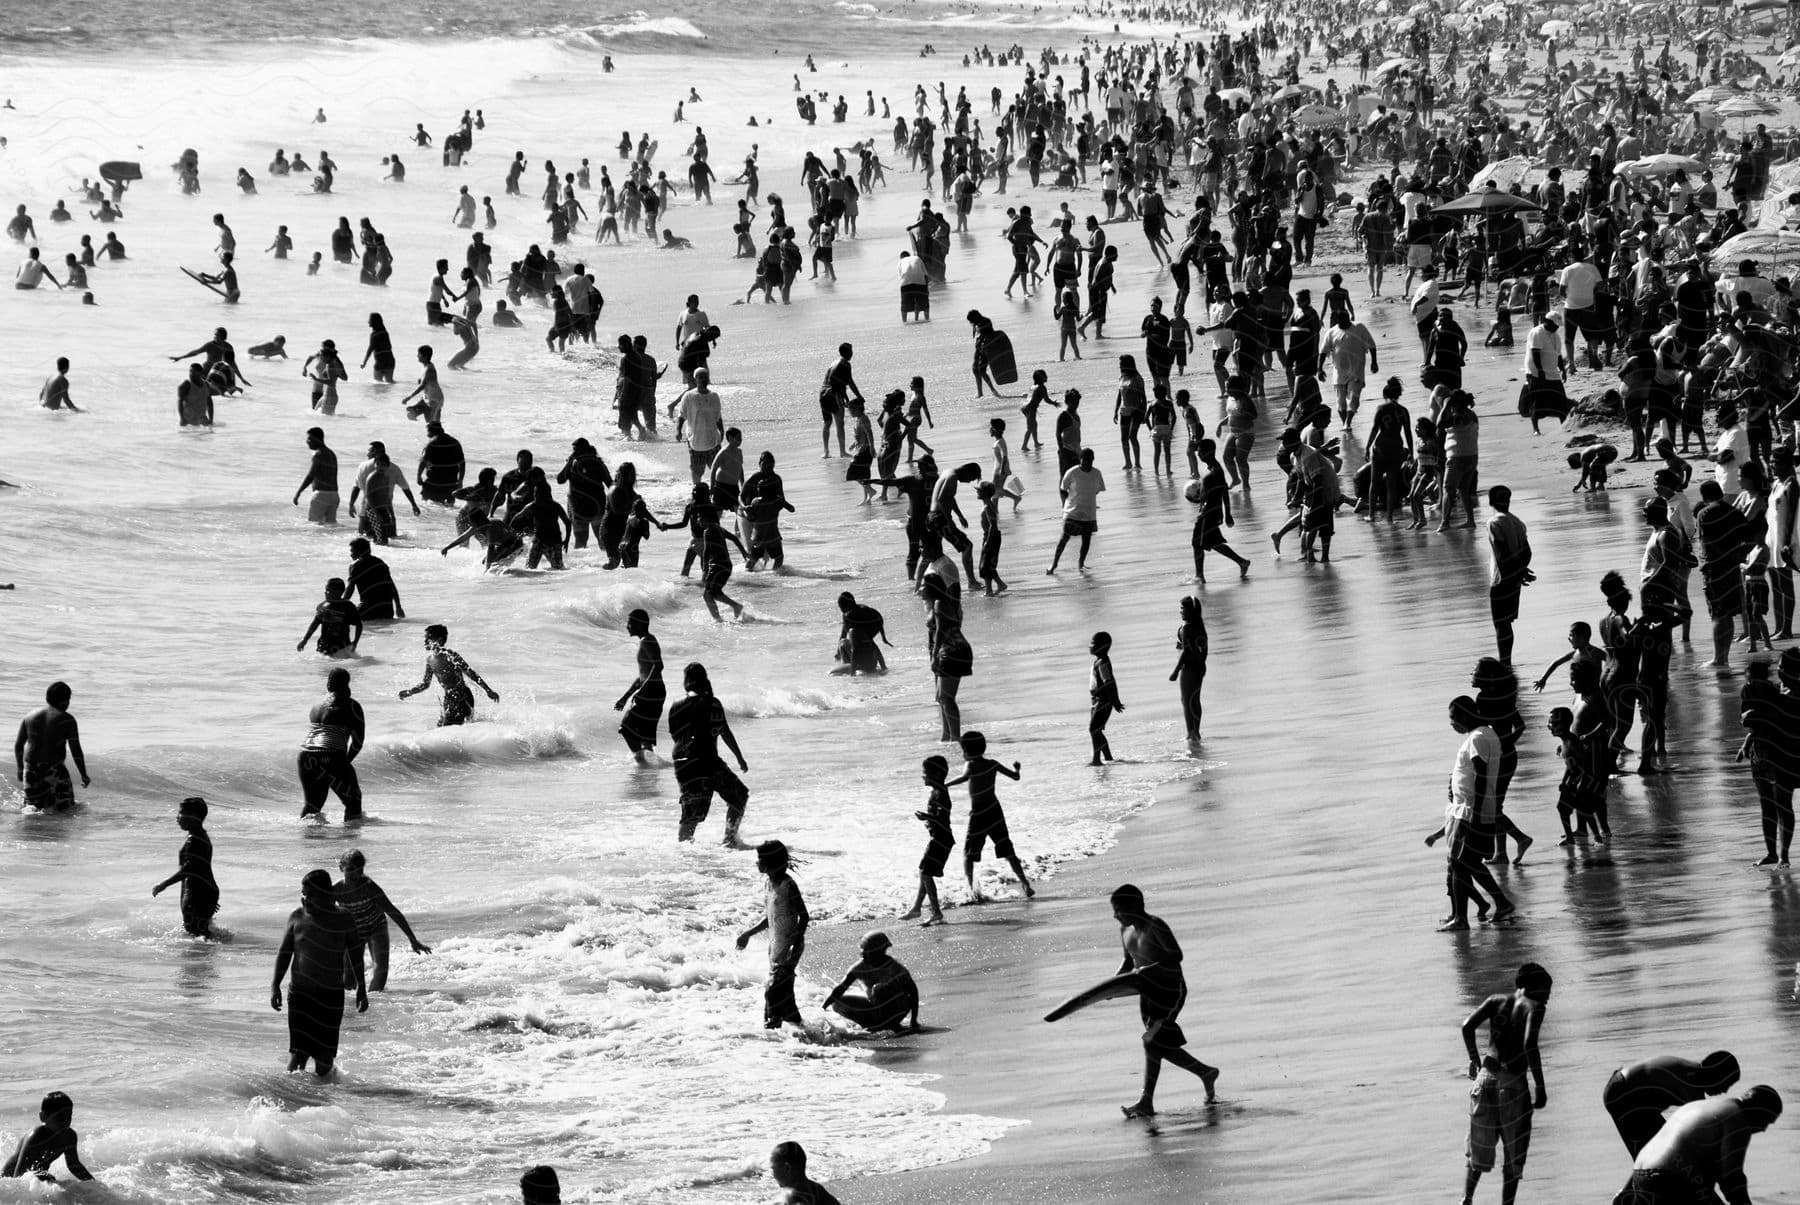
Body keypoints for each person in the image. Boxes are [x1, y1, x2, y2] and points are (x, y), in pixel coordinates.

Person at [1104, 884, 1220, 1118]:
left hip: (1169, 989)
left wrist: (1147, 970)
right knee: (1157, 1045)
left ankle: (1149, 1099)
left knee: (1152, 1041)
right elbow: (1129, 962)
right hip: (1146, 992)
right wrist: (1113, 984)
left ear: (1135, 906)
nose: (1115, 915)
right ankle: (1203, 1073)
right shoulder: (1125, 931)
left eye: (1119, 910)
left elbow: (1176, 955)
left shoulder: (1155, 926)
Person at [1458, 963, 1552, 1205]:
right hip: (1512, 1084)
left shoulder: (1494, 1001)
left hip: (1485, 1079)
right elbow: (1530, 1044)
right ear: (1529, 988)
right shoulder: (1534, 1007)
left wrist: (1474, 1059)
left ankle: (1466, 1199)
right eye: (1546, 991)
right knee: (1514, 1153)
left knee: (1478, 1150)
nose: (1548, 998)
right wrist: (1540, 1087)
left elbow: (1467, 1026)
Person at [1426, 696, 1514, 930]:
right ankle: (1501, 903)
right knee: (1469, 863)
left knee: (1459, 862)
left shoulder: (1477, 738)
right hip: (1469, 809)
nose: (1452, 724)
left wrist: (1473, 814)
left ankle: (1461, 919)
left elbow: (1481, 775)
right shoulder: (1485, 735)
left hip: (1470, 811)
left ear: (1466, 714)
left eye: (1453, 718)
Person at [1612, 1087, 1783, 1205]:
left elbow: (1657, 1148)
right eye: (1767, 1121)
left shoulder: (1701, 1106)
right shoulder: (1737, 1118)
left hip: (1641, 1175)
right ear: (1758, 1111)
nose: (1763, 1129)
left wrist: (1627, 1191)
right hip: (1669, 1180)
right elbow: (1732, 1179)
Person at [271, 869, 368, 1076]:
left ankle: (323, 1098)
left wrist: (362, 989)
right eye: (303, 893)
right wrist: (275, 986)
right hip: (300, 994)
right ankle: (292, 1098)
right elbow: (285, 953)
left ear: (326, 895)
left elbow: (356, 956)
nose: (305, 899)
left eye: (310, 894)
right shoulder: (297, 917)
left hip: (330, 997)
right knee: (299, 1054)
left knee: (324, 1056)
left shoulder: (343, 919)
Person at [947, 730, 1034, 901]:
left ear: (965, 751)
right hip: (995, 812)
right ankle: (1025, 883)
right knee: (1008, 850)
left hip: (979, 814)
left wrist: (944, 785)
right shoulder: (993, 764)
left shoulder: (970, 765)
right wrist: (1017, 768)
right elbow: (1015, 777)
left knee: (968, 853)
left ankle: (971, 889)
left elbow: (963, 778)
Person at [1603, 1051, 1741, 1157]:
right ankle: (1634, 1192)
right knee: (1655, 1157)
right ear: (1717, 1075)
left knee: (1659, 1154)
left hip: (1627, 1092)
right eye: (1726, 1084)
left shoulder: (1693, 1073)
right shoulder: (1691, 1082)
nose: (1724, 1091)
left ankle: (1639, 1191)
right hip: (1624, 1093)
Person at [669, 662, 750, 844]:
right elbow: (724, 731)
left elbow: (675, 735)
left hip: (683, 763)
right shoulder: (712, 703)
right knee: (739, 796)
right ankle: (729, 840)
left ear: (688, 681)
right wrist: (739, 758)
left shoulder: (676, 704)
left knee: (691, 811)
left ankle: (684, 850)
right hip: (707, 761)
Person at [335, 849, 431, 992]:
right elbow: (321, 913)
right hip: (353, 932)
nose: (355, 875)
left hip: (376, 927)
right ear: (341, 868)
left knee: (381, 972)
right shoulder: (336, 890)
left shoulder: (369, 887)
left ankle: (374, 1004)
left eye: (359, 870)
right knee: (349, 980)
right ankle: (350, 1010)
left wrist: (413, 940)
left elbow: (393, 912)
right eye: (350, 870)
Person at [736, 839, 808, 1028]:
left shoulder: (788, 885)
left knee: (772, 990)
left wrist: (795, 941)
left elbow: (804, 916)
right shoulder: (769, 884)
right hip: (776, 946)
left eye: (760, 859)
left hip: (790, 947)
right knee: (785, 994)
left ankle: (771, 1030)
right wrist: (748, 934)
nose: (757, 863)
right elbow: (770, 917)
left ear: (770, 862)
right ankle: (800, 1030)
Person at [298, 667, 365, 821]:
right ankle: (351, 841)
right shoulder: (352, 706)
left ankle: (307, 841)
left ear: (328, 685)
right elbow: (358, 742)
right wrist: (343, 764)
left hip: (306, 756)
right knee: (353, 802)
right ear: (347, 684)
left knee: (312, 806)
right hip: (332, 755)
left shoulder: (316, 706)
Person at [399, 625, 499, 726]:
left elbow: (470, 673)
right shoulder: (430, 660)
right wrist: (410, 692)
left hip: (461, 696)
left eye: (428, 638)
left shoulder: (450, 655)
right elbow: (425, 684)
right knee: (443, 727)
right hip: (449, 697)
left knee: (447, 730)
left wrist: (488, 690)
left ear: (438, 639)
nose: (425, 641)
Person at [821, 931, 920, 1032]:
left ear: (882, 951)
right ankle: (869, 1025)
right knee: (837, 1003)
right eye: (864, 952)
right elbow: (841, 988)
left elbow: (913, 992)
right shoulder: (859, 967)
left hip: (897, 1007)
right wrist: (823, 1007)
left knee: (878, 989)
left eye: (868, 953)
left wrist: (914, 1020)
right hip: (874, 1007)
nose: (864, 955)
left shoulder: (895, 968)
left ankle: (893, 1024)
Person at [13, 681, 89, 811]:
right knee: (66, 808)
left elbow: (19, 745)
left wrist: (20, 769)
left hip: (31, 769)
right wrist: (83, 775)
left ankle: (32, 829)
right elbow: (75, 750)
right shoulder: (67, 719)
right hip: (54, 770)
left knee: (33, 807)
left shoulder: (30, 716)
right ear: (66, 701)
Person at [151, 795, 219, 937]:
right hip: (203, 891)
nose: (178, 817)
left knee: (196, 936)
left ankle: (203, 958)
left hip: (198, 893)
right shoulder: (201, 837)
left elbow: (189, 869)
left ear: (194, 816)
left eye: (181, 813)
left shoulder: (194, 840)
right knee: (200, 934)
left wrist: (163, 884)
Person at [901, 754, 952, 925]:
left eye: (925, 773)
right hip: (938, 838)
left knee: (925, 872)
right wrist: (929, 820)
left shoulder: (941, 793)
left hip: (941, 839)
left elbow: (942, 817)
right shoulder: (937, 792)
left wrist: (927, 817)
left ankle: (936, 911)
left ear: (937, 775)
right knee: (924, 871)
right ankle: (916, 908)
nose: (923, 776)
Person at [1486, 486, 1535, 665]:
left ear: (1491, 501)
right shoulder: (1518, 522)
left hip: (1501, 580)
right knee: (1507, 622)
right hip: (1514, 580)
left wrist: (1514, 572)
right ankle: (1507, 661)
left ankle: (1505, 662)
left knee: (1500, 623)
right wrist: (1521, 571)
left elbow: (1501, 554)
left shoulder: (1494, 523)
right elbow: (1527, 552)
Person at [612, 610, 667, 763]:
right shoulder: (647, 640)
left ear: (639, 624)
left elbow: (658, 666)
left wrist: (642, 691)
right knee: (645, 737)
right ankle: (649, 771)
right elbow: (643, 676)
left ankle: (642, 762)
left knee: (626, 729)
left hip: (651, 692)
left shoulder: (647, 641)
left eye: (630, 623)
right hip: (655, 691)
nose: (627, 626)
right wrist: (625, 697)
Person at [1, 1091, 93, 1181]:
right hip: (9, 1179)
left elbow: (74, 1166)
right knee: (49, 1179)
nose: (66, 1121)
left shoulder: (69, 1137)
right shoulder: (36, 1136)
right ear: (43, 1117)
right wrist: (42, 1177)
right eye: (60, 1117)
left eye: (69, 1116)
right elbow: (19, 1175)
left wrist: (94, 1185)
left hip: (36, 1174)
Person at [1048, 447, 1104, 574]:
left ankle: (1081, 564)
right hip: (1072, 512)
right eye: (1084, 462)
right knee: (1064, 538)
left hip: (1089, 513)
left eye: (1089, 462)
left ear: (1092, 460)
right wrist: (1065, 505)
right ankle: (1054, 563)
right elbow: (1063, 488)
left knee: (1086, 540)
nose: (1086, 465)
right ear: (1080, 460)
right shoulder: (1072, 472)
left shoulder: (1097, 473)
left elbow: (1098, 489)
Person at [674, 367, 724, 483]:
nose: (703, 379)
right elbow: (682, 415)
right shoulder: (689, 396)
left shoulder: (714, 396)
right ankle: (697, 490)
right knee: (697, 470)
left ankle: (717, 491)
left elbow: (718, 416)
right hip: (695, 439)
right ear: (695, 379)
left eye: (705, 377)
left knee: (718, 469)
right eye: (700, 377)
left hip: (712, 439)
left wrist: (722, 431)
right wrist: (678, 431)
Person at [296, 577, 362, 656]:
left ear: (337, 592)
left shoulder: (348, 607)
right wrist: (304, 640)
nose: (325, 592)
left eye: (328, 590)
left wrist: (355, 642)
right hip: (324, 646)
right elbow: (314, 625)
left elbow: (359, 625)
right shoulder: (323, 606)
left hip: (342, 647)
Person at [1087, 631, 1124, 765]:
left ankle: (1096, 759)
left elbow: (1109, 682)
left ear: (1104, 646)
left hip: (1103, 701)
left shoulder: (1103, 663)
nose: (1090, 646)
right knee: (1096, 730)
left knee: (1094, 729)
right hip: (1096, 701)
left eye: (1093, 644)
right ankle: (1108, 758)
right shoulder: (1098, 661)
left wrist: (1115, 701)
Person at [346, 538, 404, 619]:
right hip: (387, 610)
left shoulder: (355, 566)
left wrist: (340, 605)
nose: (351, 554)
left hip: (369, 609)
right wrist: (398, 607)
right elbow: (391, 586)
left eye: (352, 551)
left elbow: (350, 589)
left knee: (346, 620)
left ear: (359, 551)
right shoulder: (381, 563)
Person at [769, 1141, 842, 1205]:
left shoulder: (795, 1196)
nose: (773, 1174)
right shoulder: (817, 1189)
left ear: (787, 1168)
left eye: (773, 1168)